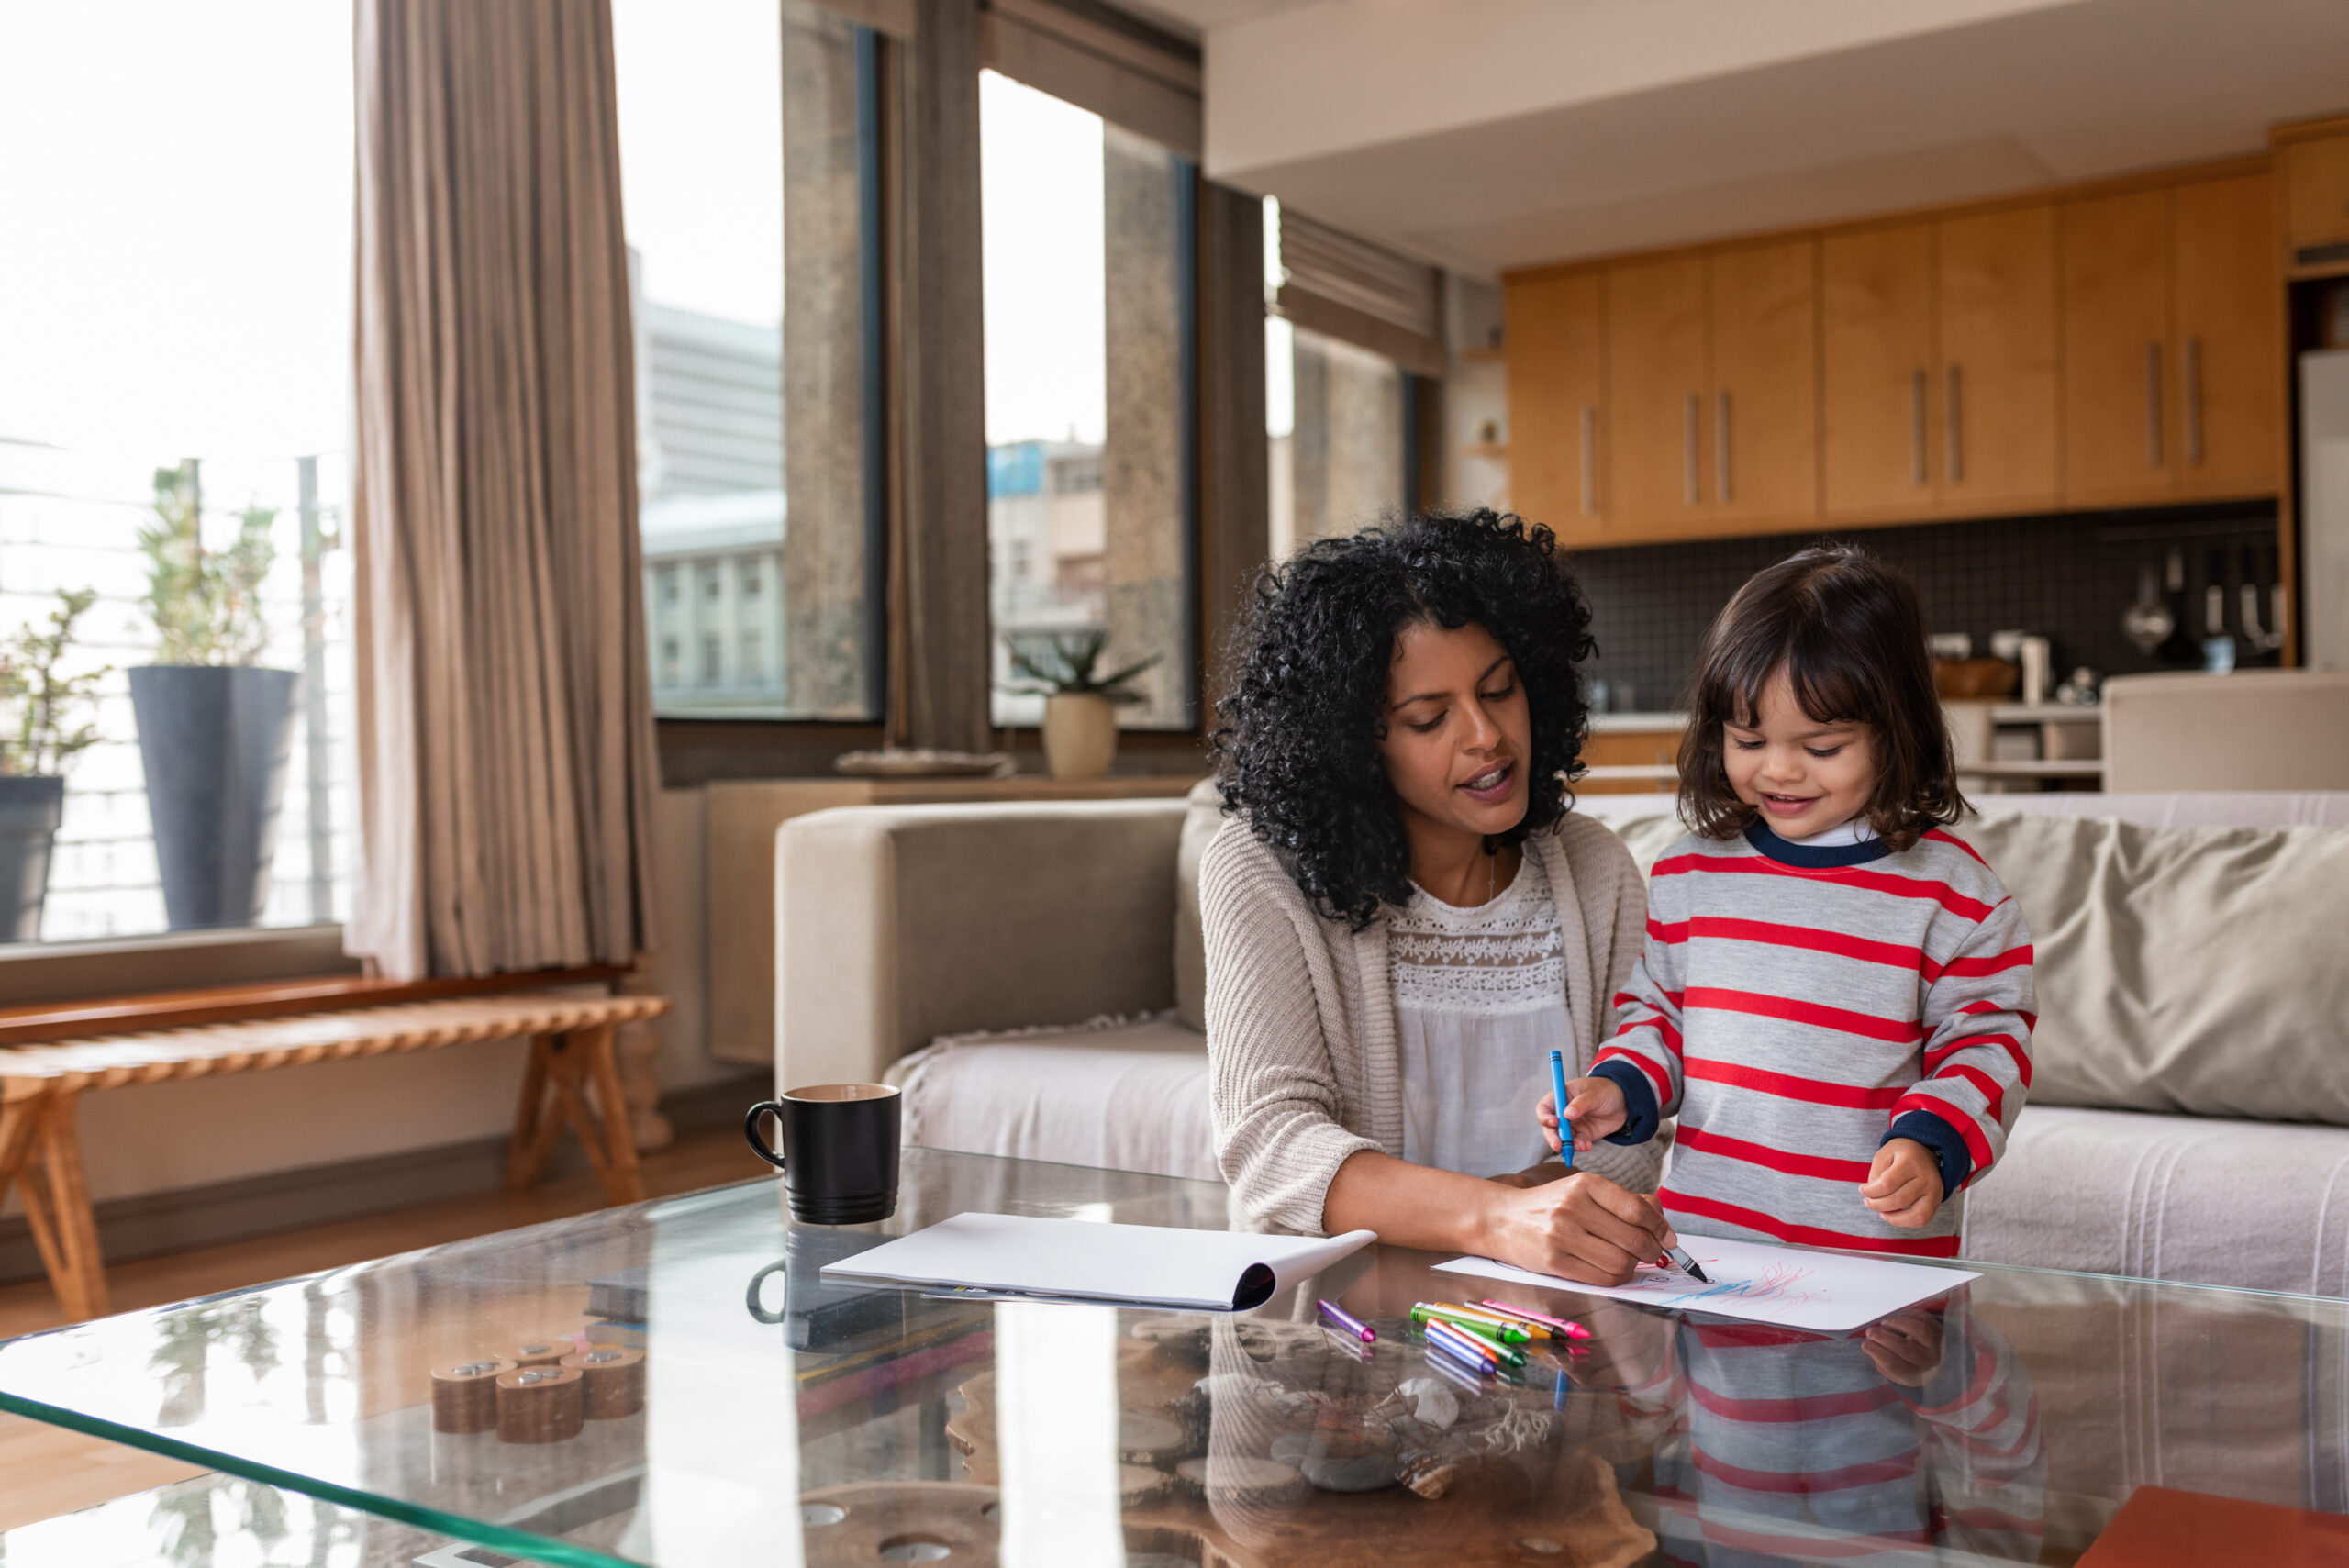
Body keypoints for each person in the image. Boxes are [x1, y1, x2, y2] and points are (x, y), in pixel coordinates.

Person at [1203, 507, 1677, 1286]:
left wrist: (1531, 1222)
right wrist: (1499, 1219)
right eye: (1429, 718)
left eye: (1500, 690)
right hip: (1338, 1329)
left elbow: (1635, 1130)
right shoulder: (1258, 868)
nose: (1485, 736)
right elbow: (1271, 1144)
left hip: (1551, 1313)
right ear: (1358, 743)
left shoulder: (1594, 869)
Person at [1542, 545, 2034, 1257]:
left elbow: (1989, 1046)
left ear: (1895, 734)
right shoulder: (1689, 875)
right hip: (1710, 1249)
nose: (1777, 769)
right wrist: (1618, 1086)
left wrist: (1933, 1141)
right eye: (1749, 739)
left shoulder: (1957, 897)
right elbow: (1660, 1018)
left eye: (1823, 746)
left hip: (1874, 1263)